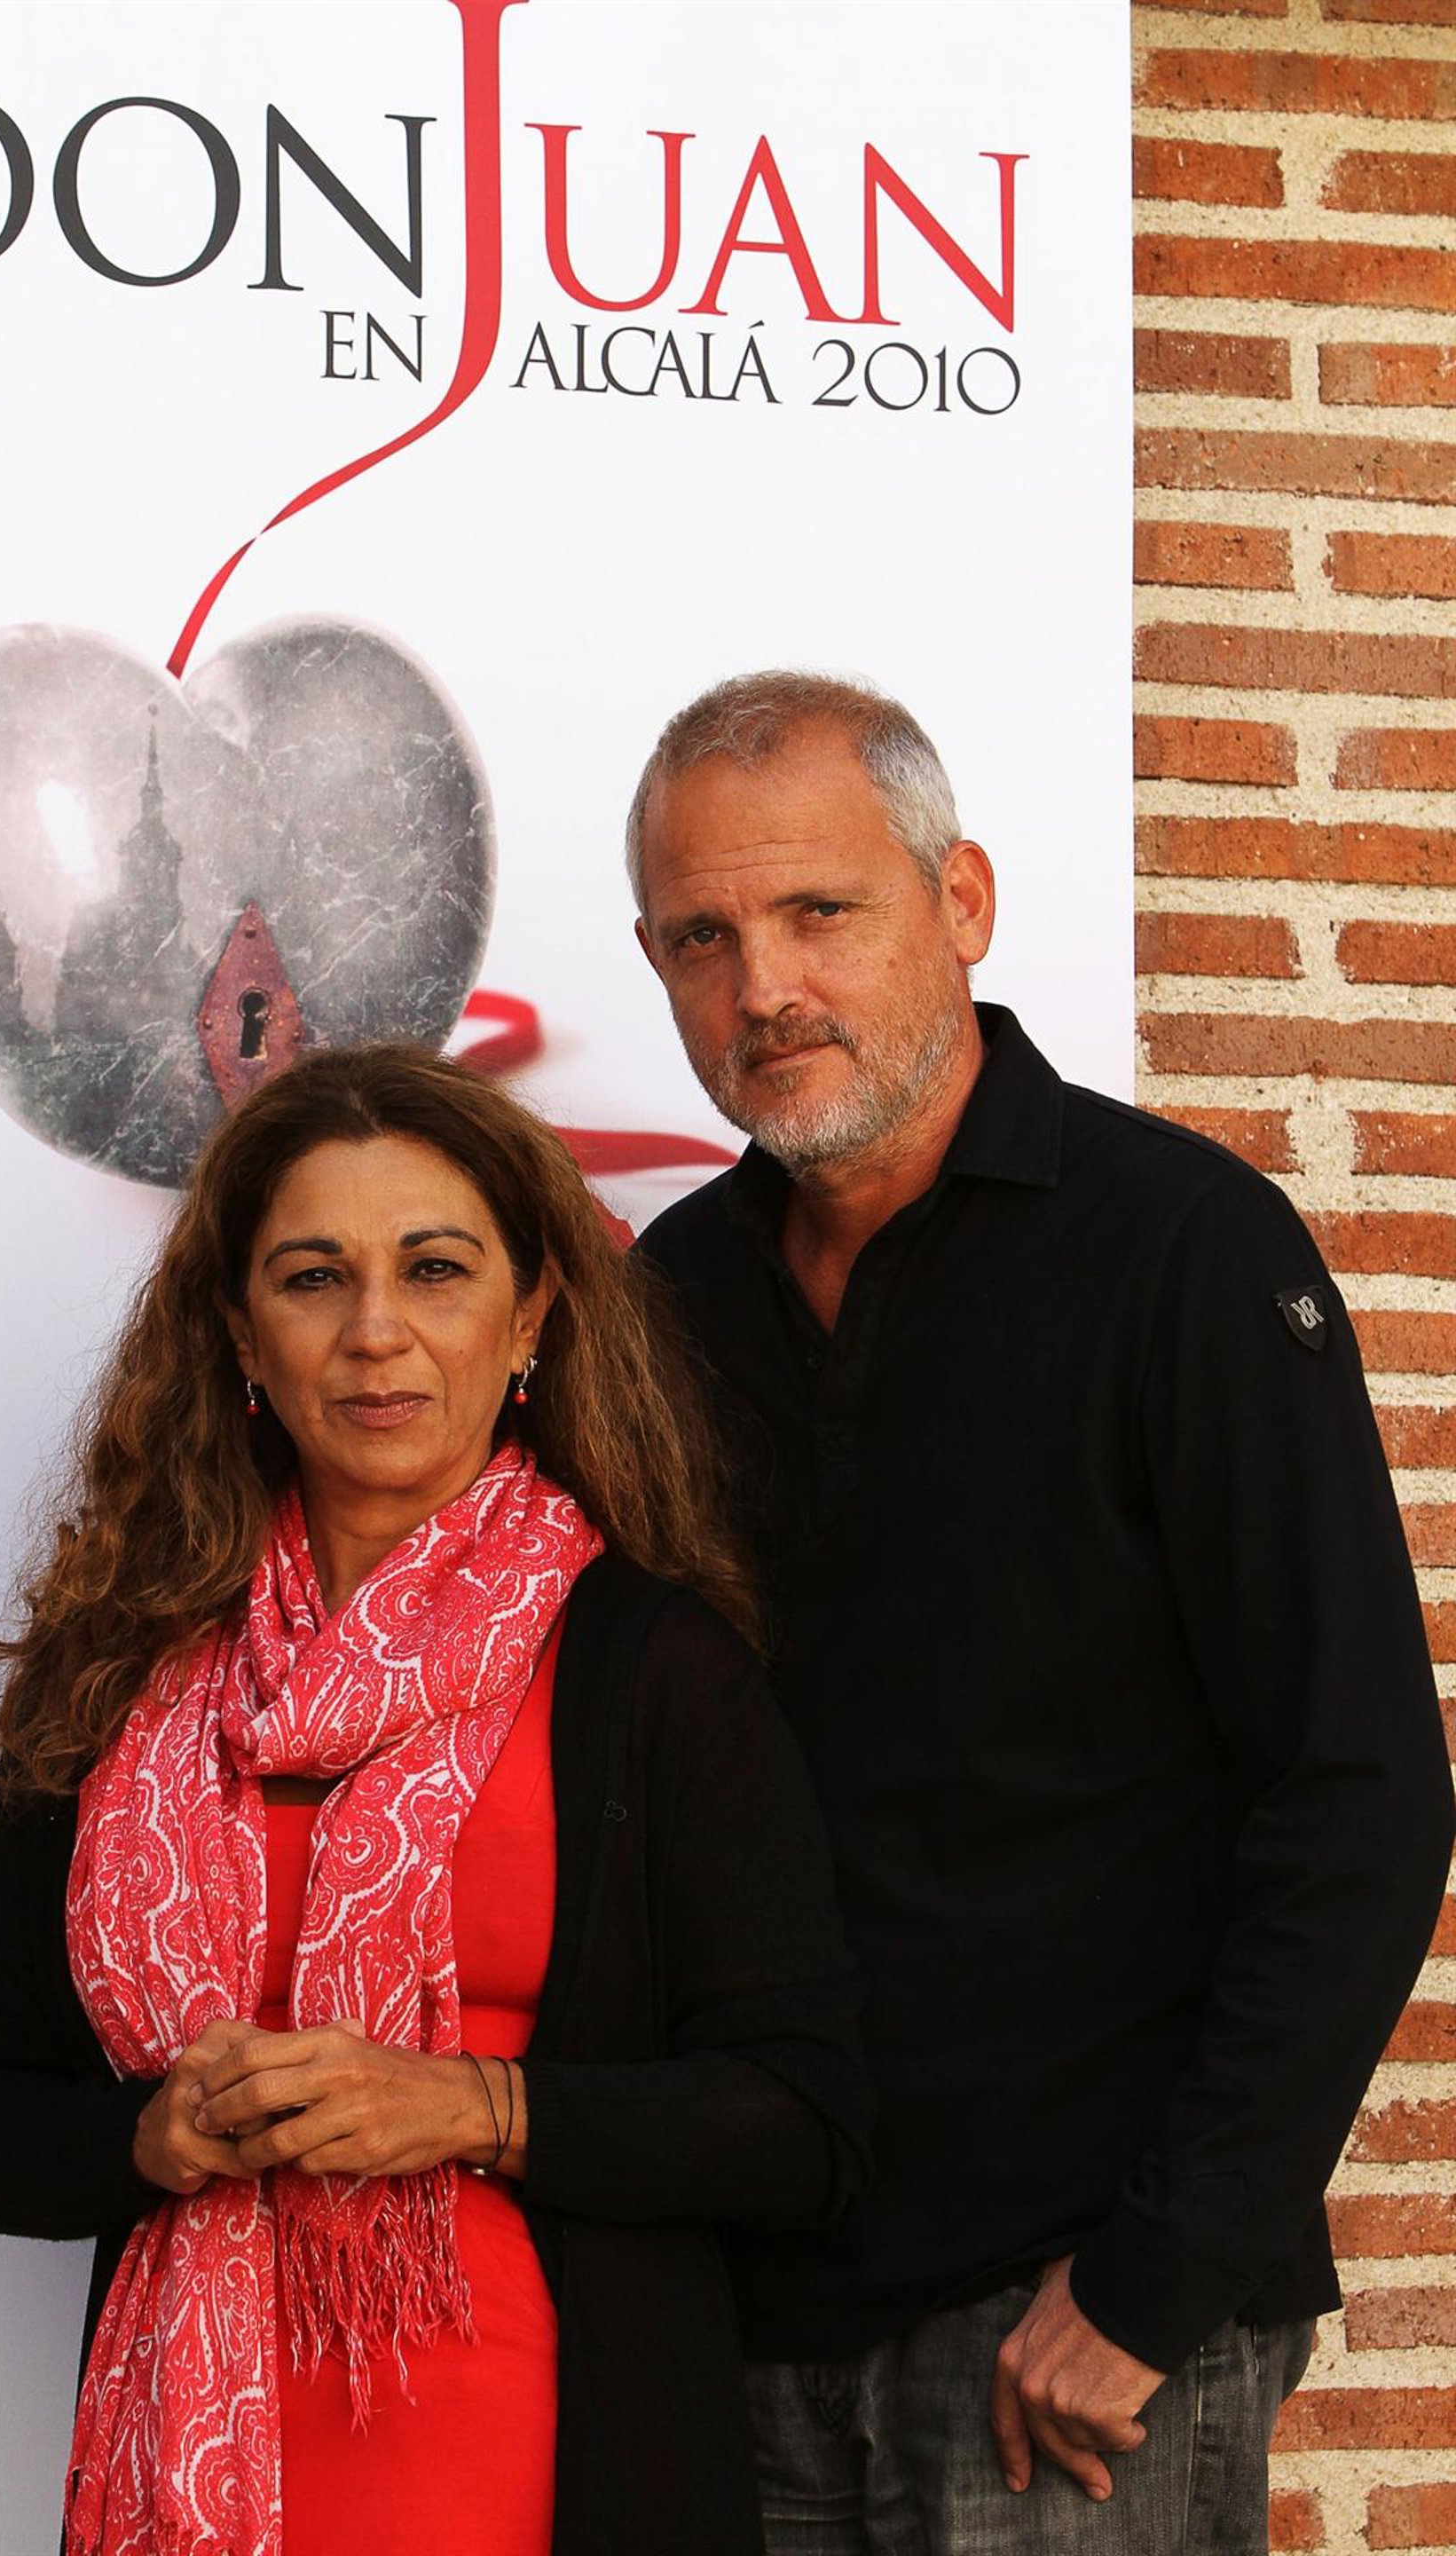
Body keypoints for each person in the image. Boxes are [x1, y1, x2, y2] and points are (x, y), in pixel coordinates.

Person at [627, 670, 1453, 2554]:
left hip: (1068, 2336)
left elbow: (1359, 1798)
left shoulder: (1181, 1251)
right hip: (755, 2318)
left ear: (964, 902)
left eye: (819, 911)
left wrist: (1160, 2277)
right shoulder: (663, 1305)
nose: (765, 988)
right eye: (702, 938)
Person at [0, 1043, 871, 2556]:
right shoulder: (115, 1674)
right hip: (190, 2462)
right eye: (313, 1279)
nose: (376, 1332)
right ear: (240, 1331)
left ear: (530, 1313)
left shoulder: (650, 1666)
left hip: (536, 2461)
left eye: (436, 1269)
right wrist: (154, 2135)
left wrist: (470, 2106)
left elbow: (808, 2123)